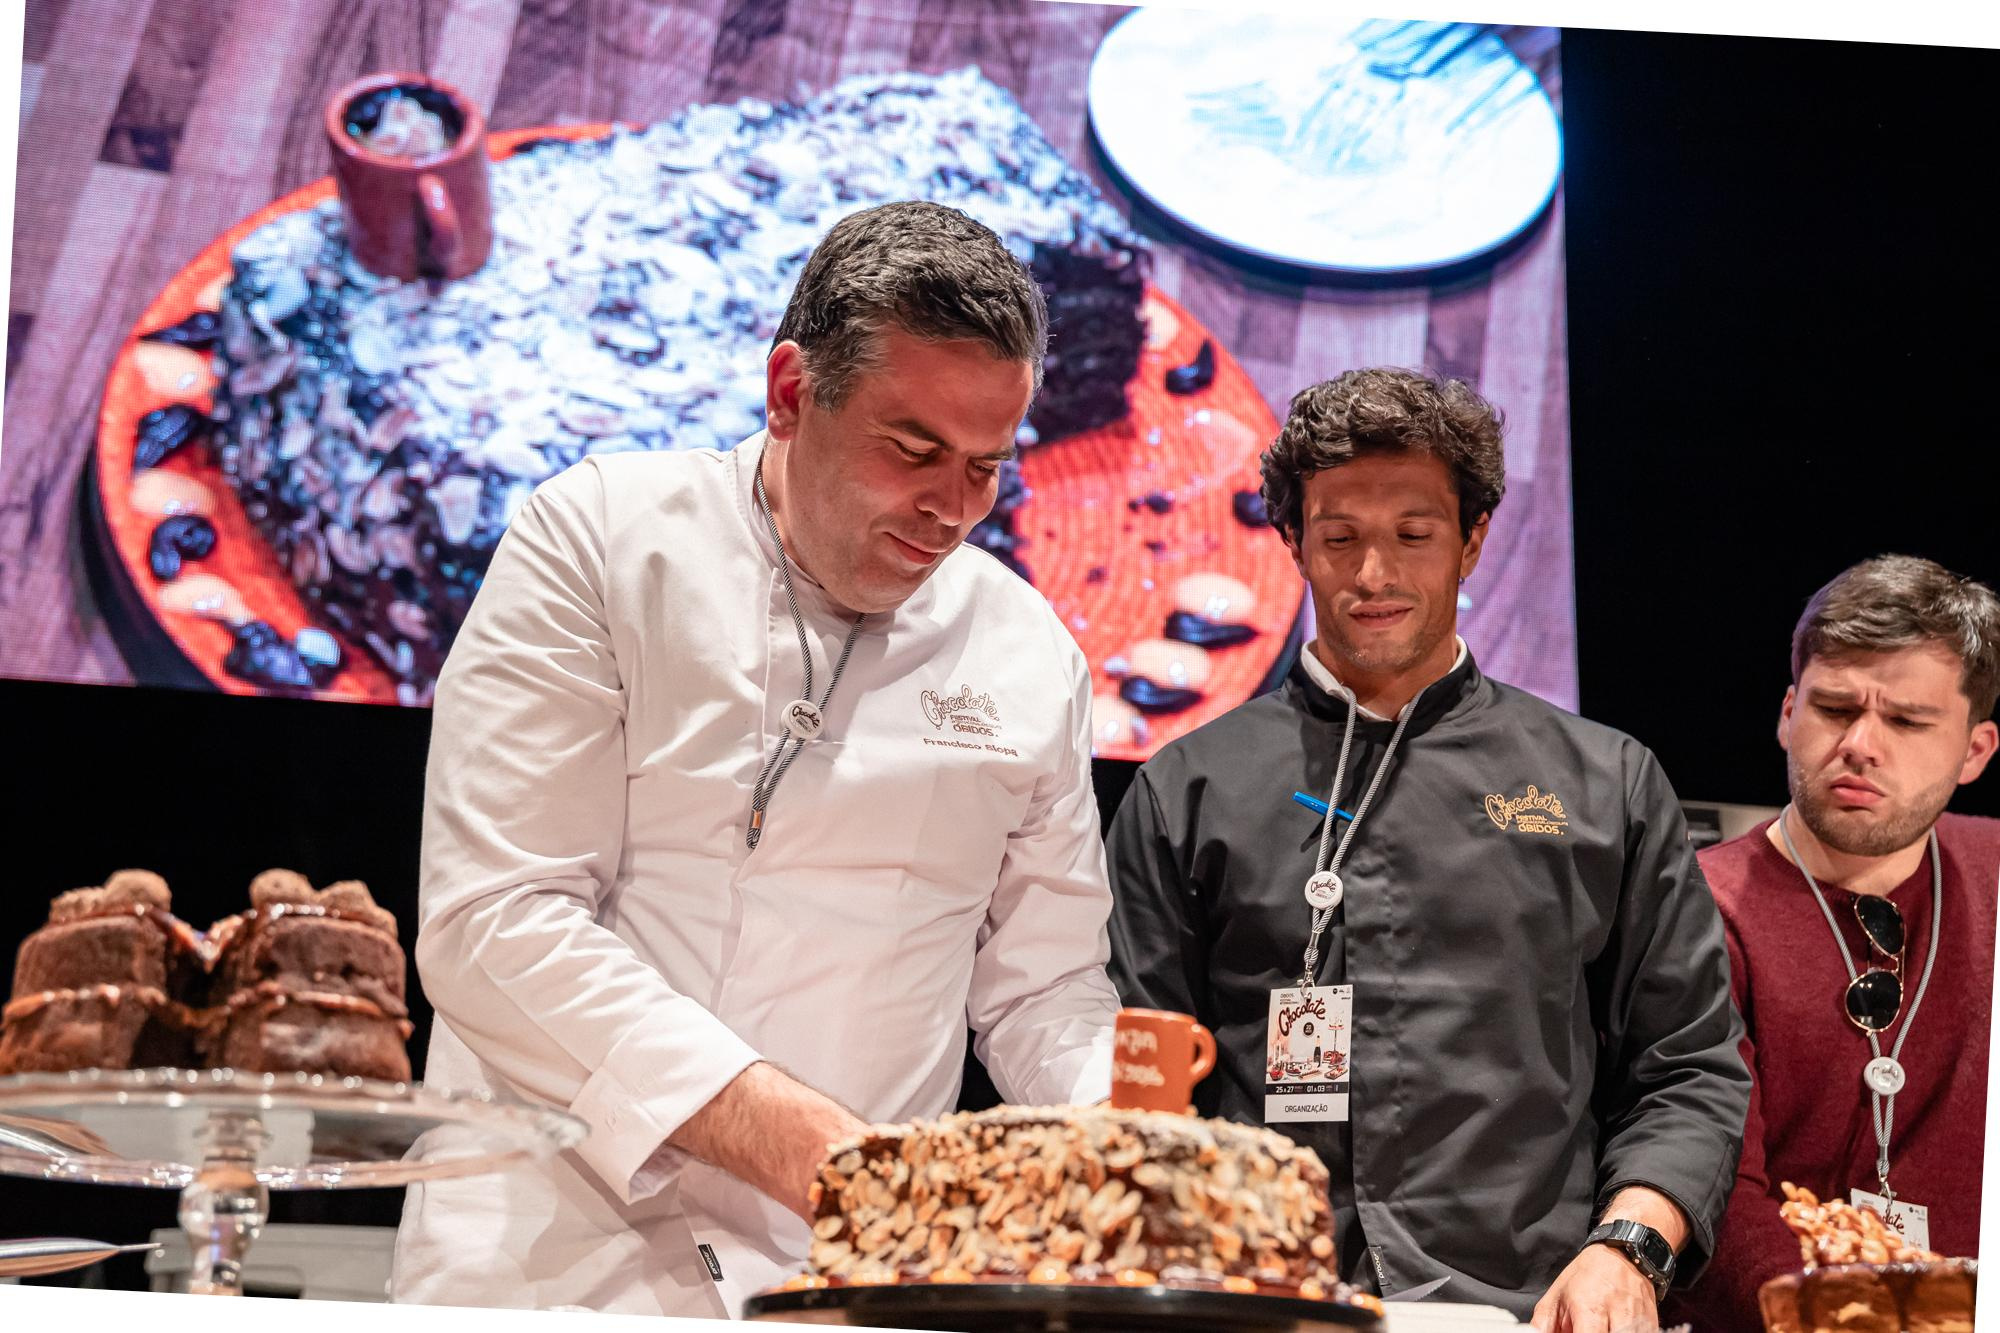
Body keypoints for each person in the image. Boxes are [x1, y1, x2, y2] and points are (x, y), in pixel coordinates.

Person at [391, 201, 1121, 1318]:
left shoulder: (1025, 651)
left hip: (847, 1280)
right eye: (912, 449)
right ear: (790, 393)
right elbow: (496, 922)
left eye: (985, 466)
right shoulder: (601, 540)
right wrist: (820, 1153)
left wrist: (1125, 1160)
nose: (950, 508)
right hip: (555, 1259)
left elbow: (1045, 989)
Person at [1104, 367, 1751, 1330]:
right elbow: (1143, 1074)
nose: (1374, 574)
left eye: (1413, 535)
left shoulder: (1604, 782)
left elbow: (1688, 1065)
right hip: (1262, 1305)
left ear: (1473, 540)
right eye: (1340, 538)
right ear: (1293, 542)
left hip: (1528, 1303)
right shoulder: (1186, 787)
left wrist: (1630, 1251)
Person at [1666, 556, 1999, 1330]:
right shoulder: (1701, 908)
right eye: (1835, 708)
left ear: (1976, 750)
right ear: (1788, 711)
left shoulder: (1989, 871)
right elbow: (1716, 1191)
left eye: (1908, 721)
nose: (1861, 744)